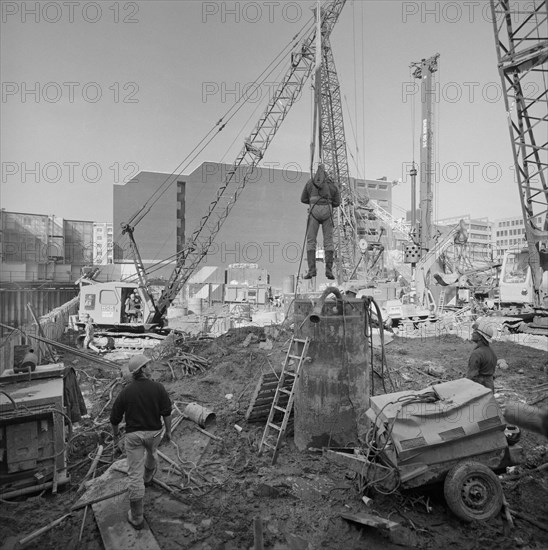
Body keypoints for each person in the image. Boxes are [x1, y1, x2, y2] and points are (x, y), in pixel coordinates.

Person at [110, 354, 172, 530]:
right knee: (152, 453)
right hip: (153, 434)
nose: (151, 367)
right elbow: (166, 412)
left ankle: (136, 517)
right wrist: (168, 431)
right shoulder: (158, 388)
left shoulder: (126, 392)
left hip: (134, 437)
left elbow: (114, 418)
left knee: (133, 474)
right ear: (142, 369)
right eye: (148, 365)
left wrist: (116, 437)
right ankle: (148, 477)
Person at [300, 163, 341, 280]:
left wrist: (313, 201)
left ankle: (312, 270)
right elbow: (337, 203)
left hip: (313, 212)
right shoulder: (332, 185)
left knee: (311, 241)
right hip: (327, 211)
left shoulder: (310, 183)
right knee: (328, 242)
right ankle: (329, 271)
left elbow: (302, 199)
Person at [466, 320, 497, 392]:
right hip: (489, 388)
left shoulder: (477, 354)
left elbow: (471, 376)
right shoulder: (492, 352)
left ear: (480, 337)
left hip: (479, 389)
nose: (472, 334)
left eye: (474, 332)